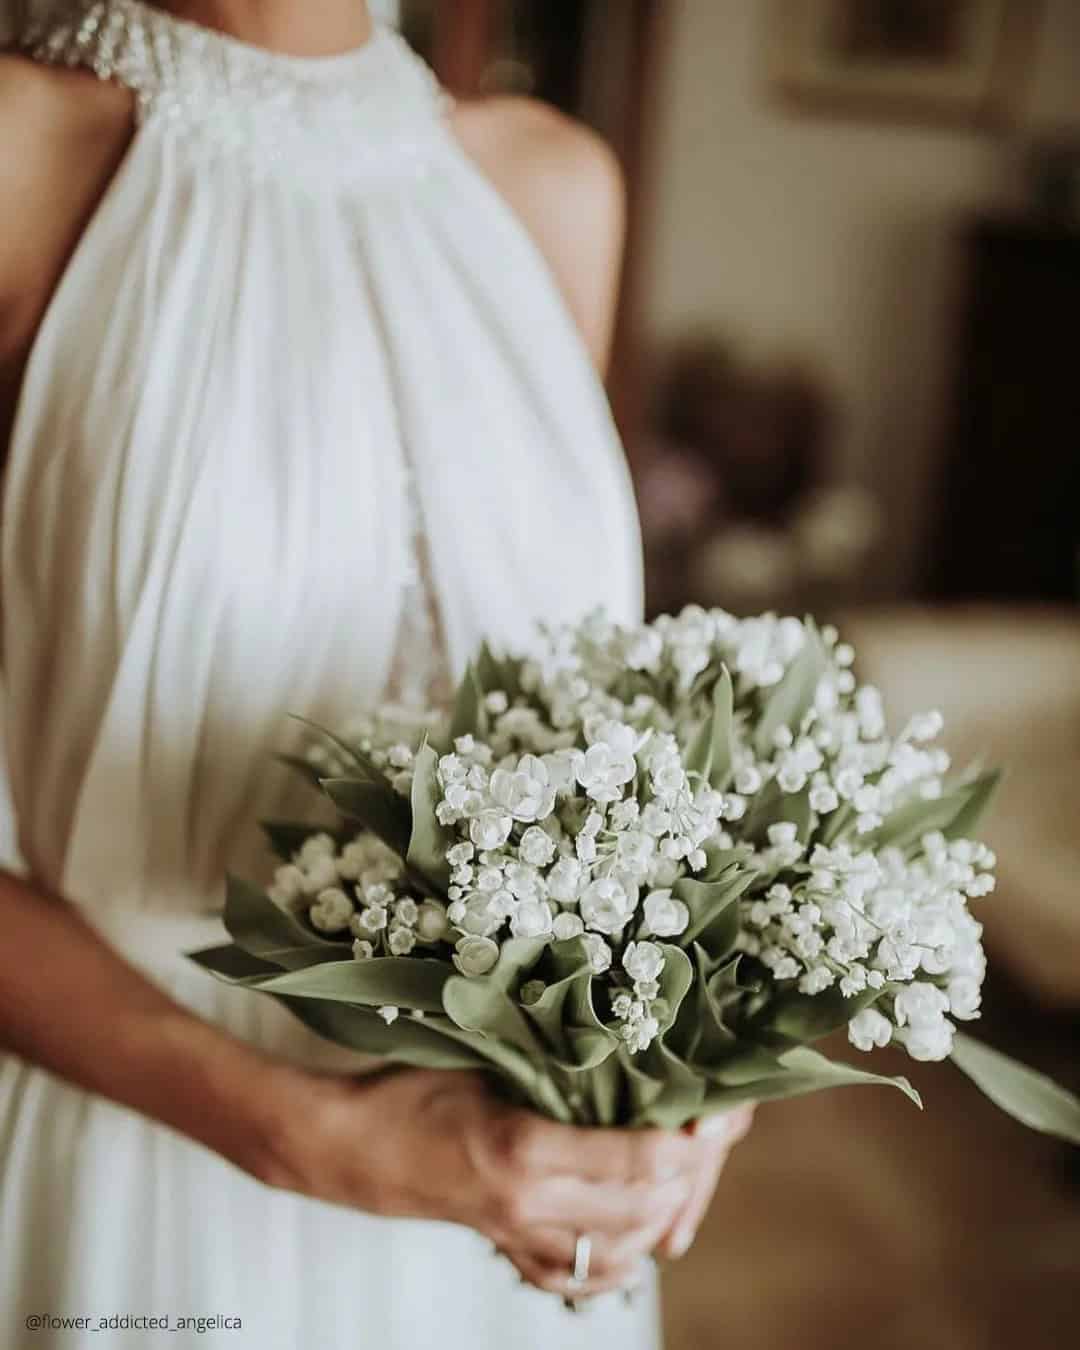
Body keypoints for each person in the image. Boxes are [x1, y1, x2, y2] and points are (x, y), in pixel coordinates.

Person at [0, 3, 753, 1346]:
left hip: (517, 1188)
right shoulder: (21, 155)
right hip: (146, 1168)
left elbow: (591, 735)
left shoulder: (553, 186)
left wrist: (696, 1053)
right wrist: (313, 1136)